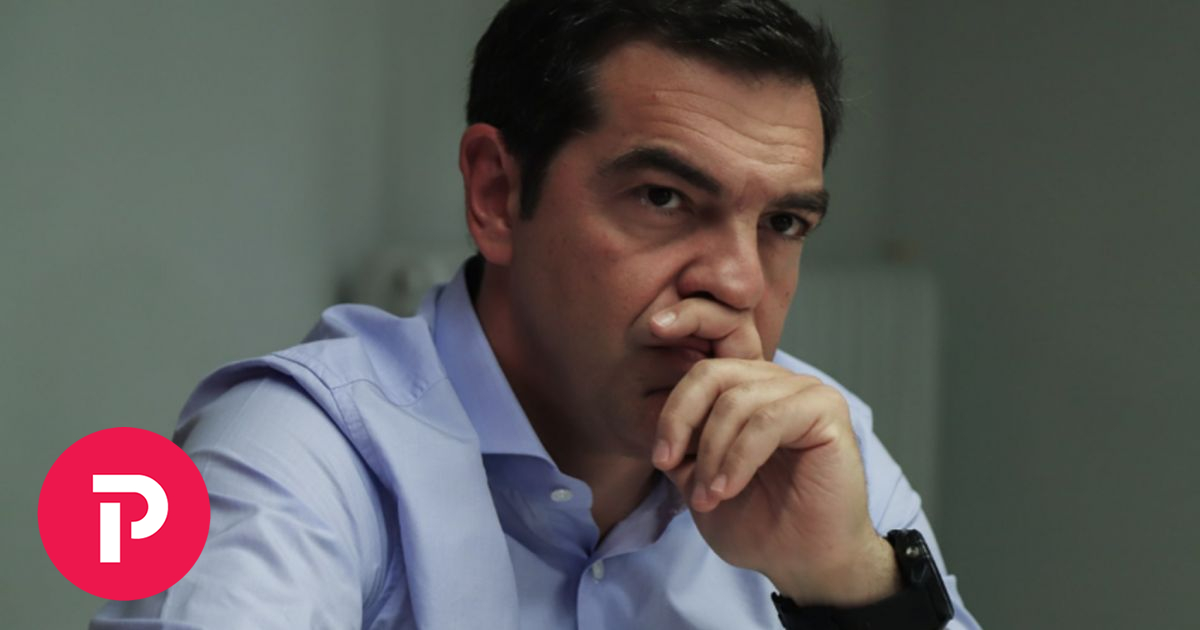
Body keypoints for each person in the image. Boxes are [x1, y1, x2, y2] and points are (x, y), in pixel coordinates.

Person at [93, 0, 980, 628]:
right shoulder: (295, 453)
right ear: (496, 193)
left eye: (782, 223)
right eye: (663, 198)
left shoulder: (821, 450)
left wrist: (851, 588)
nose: (739, 283)